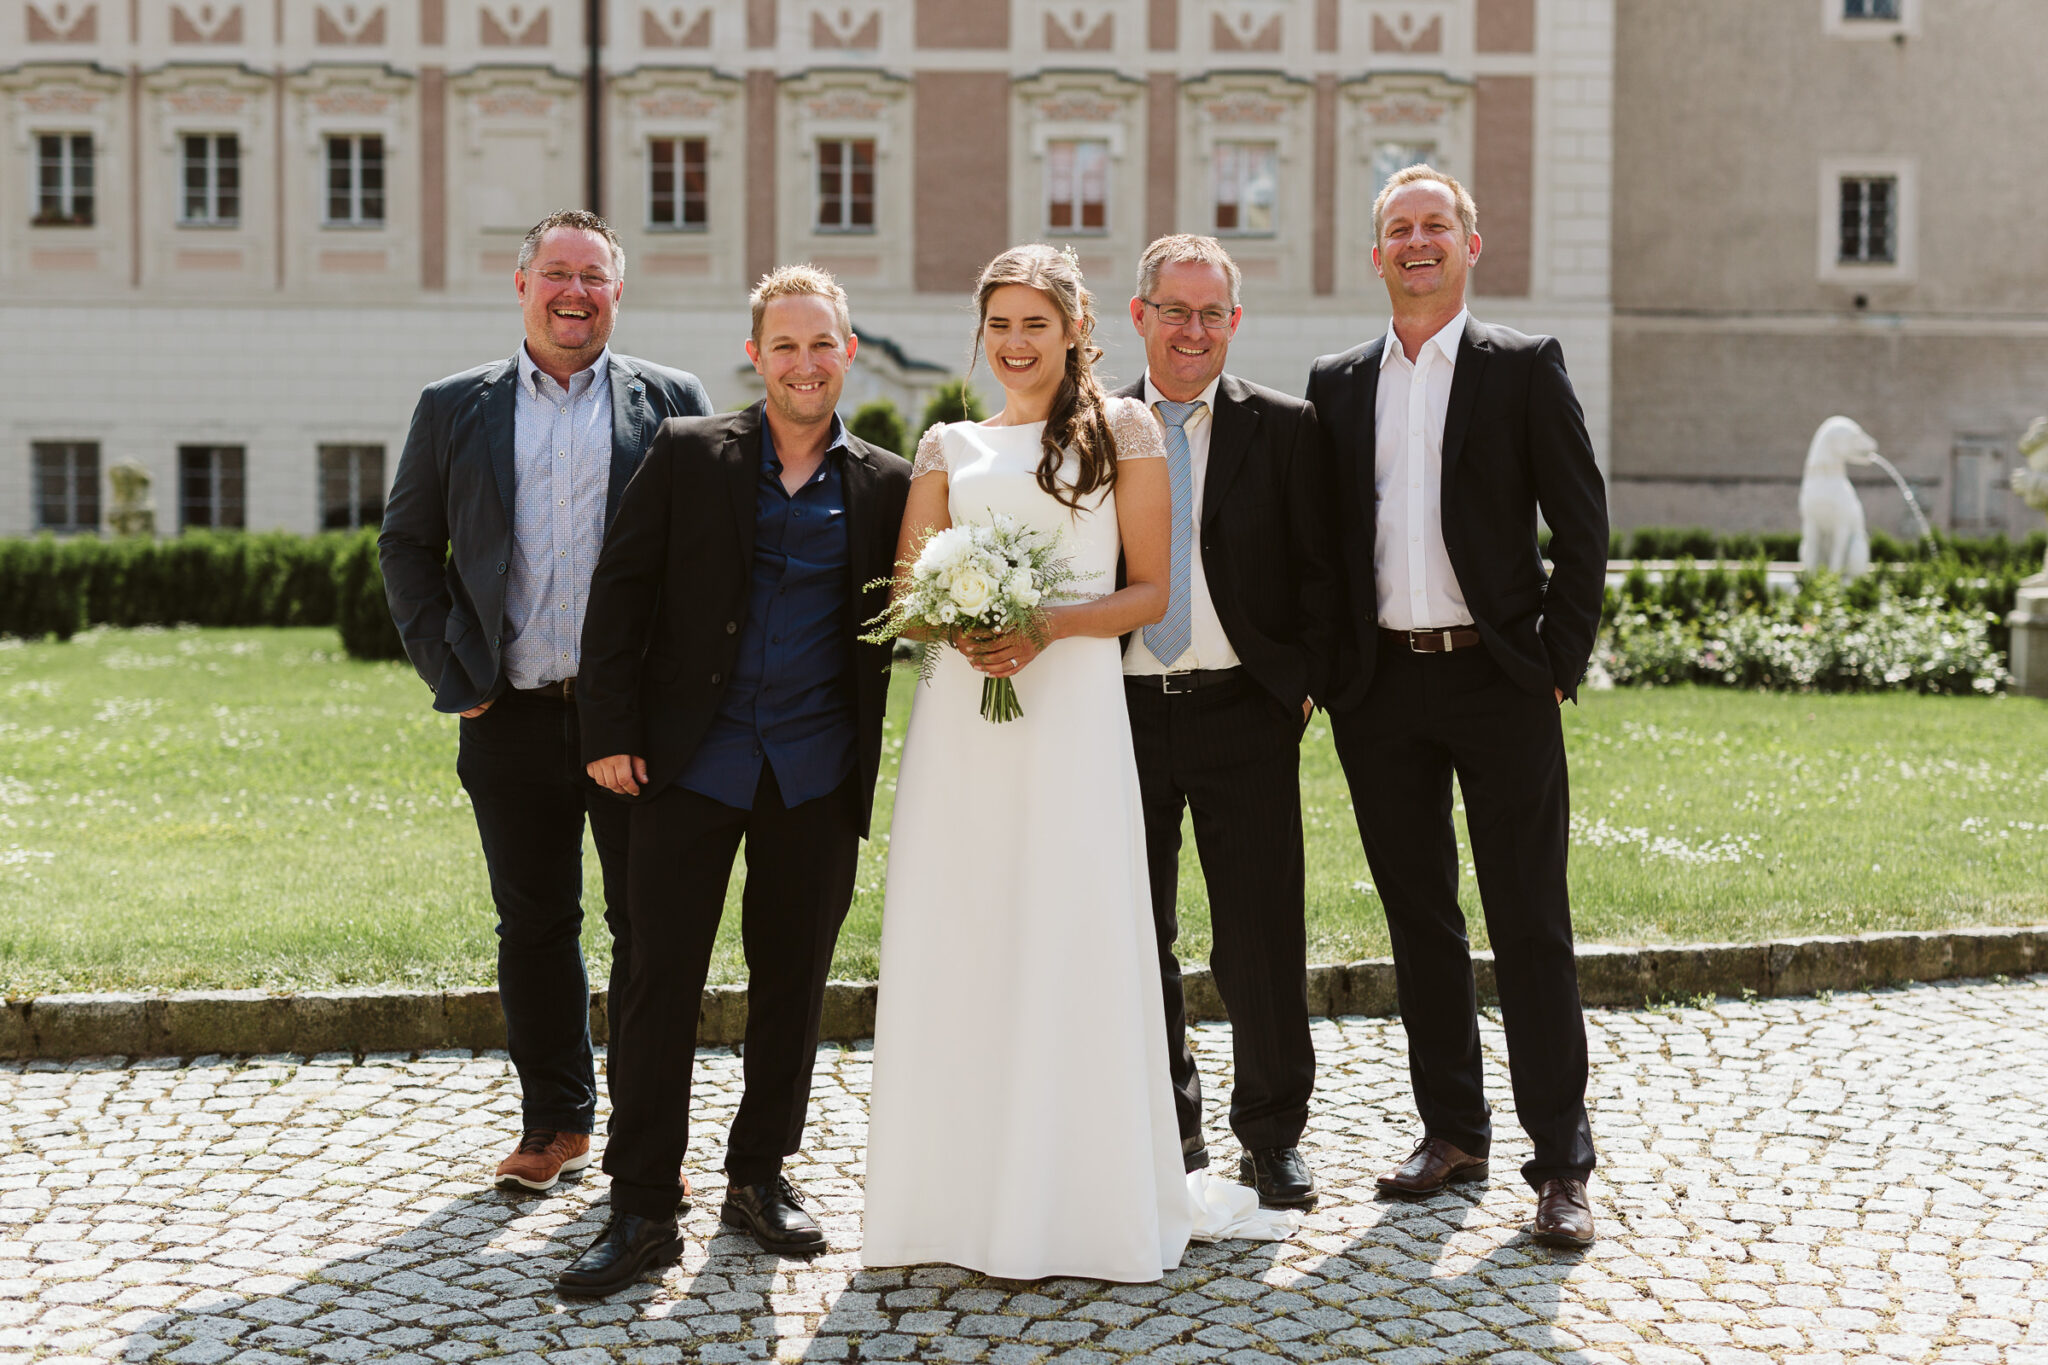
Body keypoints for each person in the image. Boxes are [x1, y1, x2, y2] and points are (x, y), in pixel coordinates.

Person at [861, 245, 1289, 1283]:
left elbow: (1150, 591)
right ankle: (951, 1201)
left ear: (1076, 331)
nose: (1017, 344)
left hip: (1075, 718)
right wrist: (958, 617)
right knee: (968, 932)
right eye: (1000, 325)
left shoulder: (1124, 431)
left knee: (1073, 929)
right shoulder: (946, 443)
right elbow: (905, 590)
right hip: (965, 723)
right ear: (981, 334)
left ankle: (1081, 1196)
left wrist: (1042, 623)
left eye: (1036, 325)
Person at [555, 265, 912, 1297]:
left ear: (848, 352)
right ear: (756, 357)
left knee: (792, 985)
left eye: (822, 343)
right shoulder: (687, 452)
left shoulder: (887, 484)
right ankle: (639, 1205)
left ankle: (758, 1175)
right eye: (784, 345)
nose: (805, 363)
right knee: (657, 982)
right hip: (687, 766)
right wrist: (608, 732)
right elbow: (619, 594)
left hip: (814, 772)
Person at [1305, 166, 1609, 1247]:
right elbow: (1324, 541)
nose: (1417, 241)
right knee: (1419, 918)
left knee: (1529, 919)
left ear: (1469, 246)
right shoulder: (1337, 382)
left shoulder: (1522, 367)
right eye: (1399, 227)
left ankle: (1560, 1164)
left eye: (1436, 224)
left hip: (1499, 681)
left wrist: (1556, 660)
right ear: (1377, 253)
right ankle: (1452, 1132)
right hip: (1381, 688)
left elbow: (1582, 523)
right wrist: (1334, 672)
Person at [379, 209, 710, 1193]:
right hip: (510, 714)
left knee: (648, 929)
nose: (575, 293)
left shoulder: (673, 402)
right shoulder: (453, 407)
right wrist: (451, 671)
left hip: (633, 727)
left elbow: (706, 560)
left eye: (594, 277)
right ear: (522, 285)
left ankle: (646, 1136)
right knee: (532, 926)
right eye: (557, 274)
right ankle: (555, 1122)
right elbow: (407, 545)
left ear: (618, 292)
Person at [1115, 235, 1342, 1207]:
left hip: (1244, 711)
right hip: (1119, 714)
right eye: (1174, 310)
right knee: (1137, 933)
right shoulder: (1095, 427)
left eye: (1211, 313)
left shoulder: (1285, 427)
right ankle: (1169, 1130)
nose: (1192, 330)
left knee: (1259, 936)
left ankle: (1272, 1134)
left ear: (1234, 322)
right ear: (1140, 316)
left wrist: (1298, 688)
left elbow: (1324, 570)